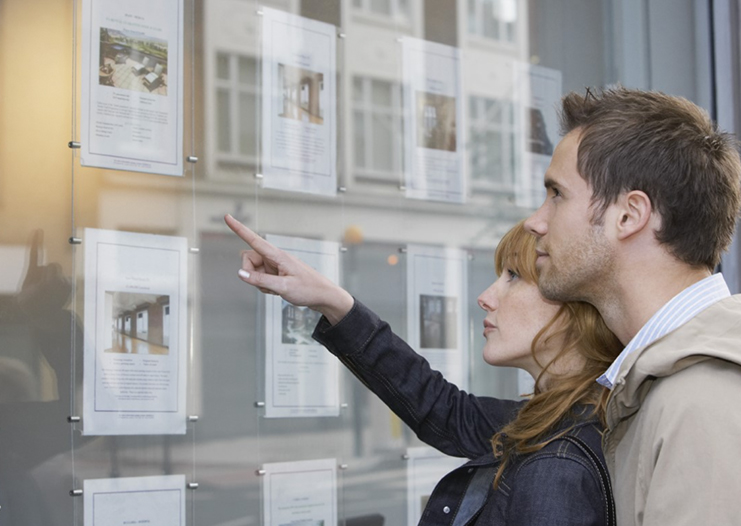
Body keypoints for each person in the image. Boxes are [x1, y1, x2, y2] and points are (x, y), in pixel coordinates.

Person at [524, 87, 741, 525]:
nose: (536, 220)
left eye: (557, 194)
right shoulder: (680, 388)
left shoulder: (707, 410)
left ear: (629, 215)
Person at [225, 214, 623, 526]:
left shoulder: (556, 464)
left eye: (513, 277)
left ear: (574, 306)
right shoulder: (551, 422)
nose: (486, 297)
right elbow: (441, 408)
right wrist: (331, 301)